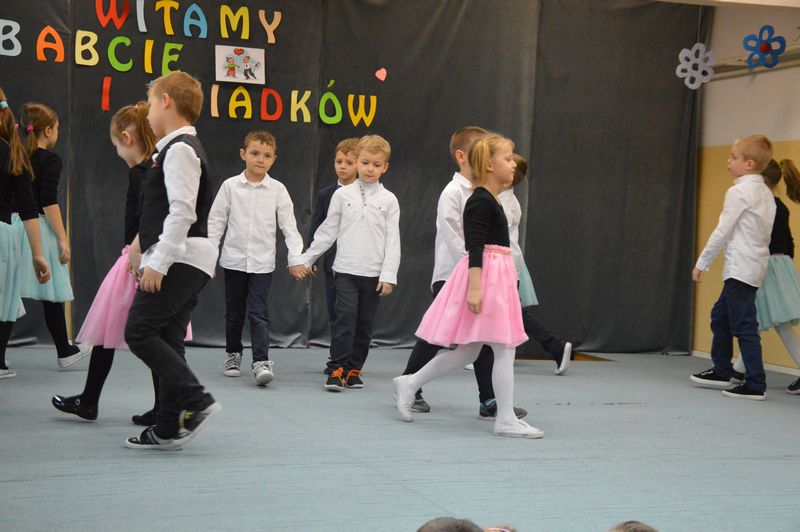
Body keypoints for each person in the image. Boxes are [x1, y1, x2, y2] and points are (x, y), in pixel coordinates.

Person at [394, 133, 542, 438]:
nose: (513, 164)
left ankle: (410, 382)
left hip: (495, 276)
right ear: (489, 164)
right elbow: (474, 248)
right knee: (504, 348)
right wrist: (475, 288)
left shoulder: (492, 200)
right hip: (486, 278)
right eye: (507, 158)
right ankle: (504, 418)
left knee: (470, 351)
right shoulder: (480, 201)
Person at [51, 102, 167, 423]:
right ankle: (93, 400)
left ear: (127, 139)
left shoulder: (143, 173)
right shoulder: (149, 169)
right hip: (139, 258)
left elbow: (152, 217)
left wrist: (136, 256)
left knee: (135, 334)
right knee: (117, 330)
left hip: (137, 262)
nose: (117, 151)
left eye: (116, 144)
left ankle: (96, 401)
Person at [124, 71, 221, 450]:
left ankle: (196, 400)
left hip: (182, 257)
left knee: (139, 331)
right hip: (188, 256)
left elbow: (182, 211)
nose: (147, 113)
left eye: (150, 103)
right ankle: (166, 426)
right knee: (167, 337)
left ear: (165, 101)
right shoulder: (173, 148)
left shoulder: (180, 149)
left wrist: (158, 263)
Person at [301, 135, 400, 391]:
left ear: (385, 167)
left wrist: (388, 275)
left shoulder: (389, 200)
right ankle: (336, 369)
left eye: (376, 165)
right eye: (365, 163)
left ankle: (354, 369)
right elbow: (327, 231)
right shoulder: (342, 195)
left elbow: (393, 241)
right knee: (344, 318)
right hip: (344, 270)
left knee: (364, 324)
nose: (370, 169)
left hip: (373, 274)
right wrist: (307, 258)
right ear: (356, 162)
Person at [207, 130, 306, 386]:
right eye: (255, 153)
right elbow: (216, 222)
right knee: (234, 312)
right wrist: (209, 256)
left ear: (274, 159)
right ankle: (233, 354)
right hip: (234, 260)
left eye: (267, 155)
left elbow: (289, 226)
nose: (260, 159)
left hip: (262, 263)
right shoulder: (230, 187)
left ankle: (261, 361)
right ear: (243, 154)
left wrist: (296, 257)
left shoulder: (278, 190)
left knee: (258, 312)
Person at [691, 135, 776, 400]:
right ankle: (722, 370)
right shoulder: (765, 192)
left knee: (744, 325)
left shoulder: (739, 192)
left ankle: (755, 383)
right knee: (721, 316)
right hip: (753, 266)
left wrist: (702, 263)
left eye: (733, 157)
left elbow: (722, 230)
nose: (728, 161)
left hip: (741, 268)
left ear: (749, 164)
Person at [15, 102, 91, 368]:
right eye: (57, 127)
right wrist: (62, 237)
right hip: (38, 228)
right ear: (47, 131)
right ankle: (64, 350)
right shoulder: (50, 160)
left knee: (8, 292)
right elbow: (48, 202)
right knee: (52, 292)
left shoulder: (16, 155)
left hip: (13, 226)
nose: (57, 131)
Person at [731, 158, 800, 394]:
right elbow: (789, 242)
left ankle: (739, 370)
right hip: (780, 265)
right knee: (757, 319)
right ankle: (738, 369)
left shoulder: (763, 205)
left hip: (766, 265)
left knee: (774, 323)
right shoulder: (781, 206)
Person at [501, 154, 572, 375]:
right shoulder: (506, 199)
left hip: (504, 263)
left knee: (512, 312)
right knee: (509, 312)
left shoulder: (504, 202)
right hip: (507, 261)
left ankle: (555, 346)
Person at [0, 90, 51, 378]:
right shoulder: (13, 153)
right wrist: (38, 254)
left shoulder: (14, 153)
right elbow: (29, 209)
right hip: (3, 234)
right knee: (5, 299)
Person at [307, 137, 359, 373]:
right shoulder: (326, 194)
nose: (343, 166)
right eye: (339, 161)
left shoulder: (365, 194)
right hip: (333, 262)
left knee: (354, 313)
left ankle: (351, 359)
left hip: (358, 262)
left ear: (358, 163)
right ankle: (337, 357)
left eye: (349, 162)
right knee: (335, 310)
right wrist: (312, 257)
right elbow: (317, 226)